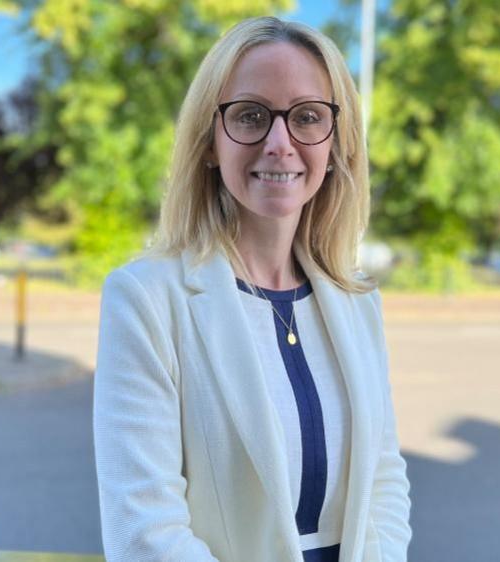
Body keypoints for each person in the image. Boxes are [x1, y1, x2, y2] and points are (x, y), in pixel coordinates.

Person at [92, 16, 412, 562]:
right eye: (250, 116)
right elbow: (141, 528)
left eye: (308, 117)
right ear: (211, 143)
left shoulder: (358, 303)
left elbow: (383, 480)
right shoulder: (146, 301)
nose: (279, 142)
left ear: (335, 142)